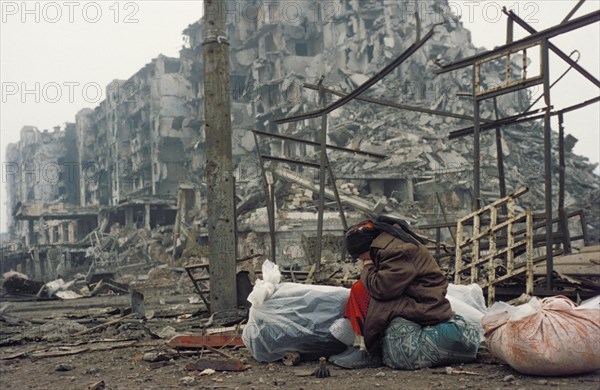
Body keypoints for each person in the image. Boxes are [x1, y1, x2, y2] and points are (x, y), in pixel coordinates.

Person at [329, 216, 453, 369]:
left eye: (360, 256)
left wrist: (368, 267)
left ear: (366, 249)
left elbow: (383, 289)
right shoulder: (388, 245)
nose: (360, 260)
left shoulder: (397, 250)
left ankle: (368, 351)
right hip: (411, 295)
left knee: (362, 291)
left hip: (424, 303)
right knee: (359, 288)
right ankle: (358, 344)